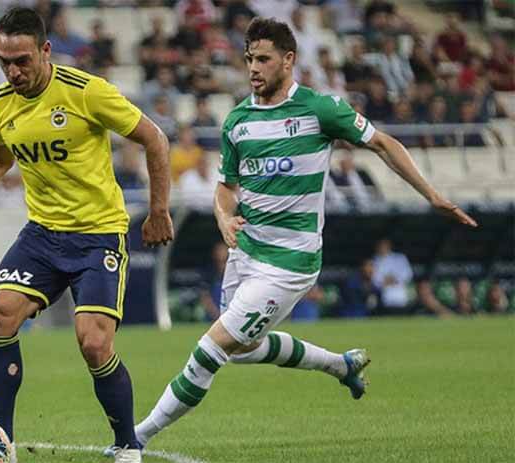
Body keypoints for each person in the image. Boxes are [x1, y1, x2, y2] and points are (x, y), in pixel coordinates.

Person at [124, 17, 476, 454]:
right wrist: (223, 217)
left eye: (263, 59)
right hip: (246, 252)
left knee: (210, 350)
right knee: (243, 348)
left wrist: (432, 195)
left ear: (288, 60)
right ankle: (340, 365)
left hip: (289, 263)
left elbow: (383, 144)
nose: (253, 68)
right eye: (249, 59)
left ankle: (134, 438)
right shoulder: (237, 121)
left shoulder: (320, 109)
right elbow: (226, 187)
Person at [0, 8, 173, 463]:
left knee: (94, 343)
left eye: (22, 60)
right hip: (42, 235)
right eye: (4, 61)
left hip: (97, 235)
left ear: (45, 50)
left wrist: (159, 209)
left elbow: (155, 139)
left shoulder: (86, 92)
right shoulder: (1, 101)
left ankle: (127, 444)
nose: (13, 71)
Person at [372, 239, 413, 314]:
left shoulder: (400, 258)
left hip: (401, 295)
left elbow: (408, 275)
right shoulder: (375, 260)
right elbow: (375, 279)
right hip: (383, 297)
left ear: (389, 246)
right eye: (380, 246)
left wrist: (394, 279)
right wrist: (384, 281)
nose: (382, 248)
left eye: (384, 246)